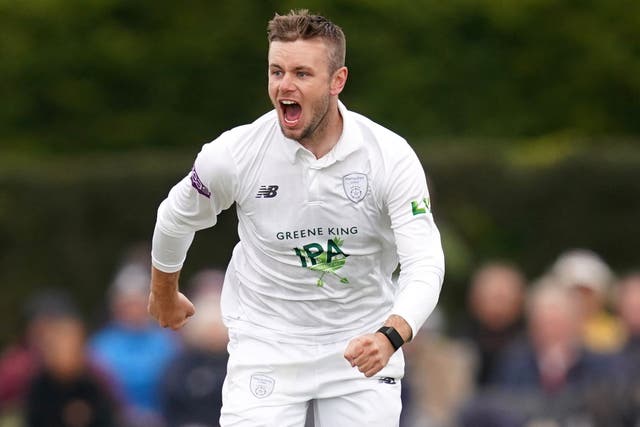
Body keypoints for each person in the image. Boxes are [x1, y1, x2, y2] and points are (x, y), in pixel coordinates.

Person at [148, 9, 444, 427]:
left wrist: (390, 335)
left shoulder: (390, 156)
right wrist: (164, 291)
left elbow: (425, 262)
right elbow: (175, 217)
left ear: (337, 81)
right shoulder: (234, 154)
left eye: (302, 73)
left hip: (361, 346)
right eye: (276, 71)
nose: (284, 86)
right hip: (266, 347)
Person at [90, 262, 180, 427]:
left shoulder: (167, 341)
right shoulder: (101, 344)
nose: (133, 310)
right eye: (128, 304)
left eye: (138, 303)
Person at [456, 262, 526, 387]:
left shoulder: (530, 344)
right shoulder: (458, 342)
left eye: (503, 299)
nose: (498, 307)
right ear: (475, 300)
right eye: (493, 298)